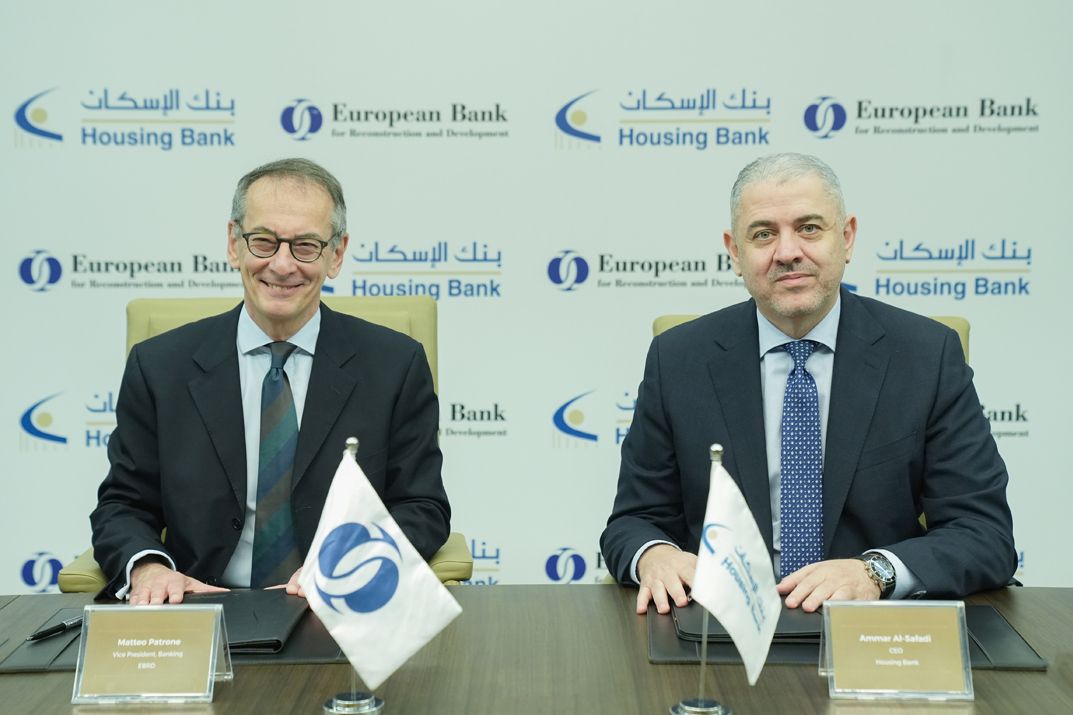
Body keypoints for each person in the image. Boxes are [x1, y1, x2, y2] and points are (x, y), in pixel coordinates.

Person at [601, 153, 1015, 615]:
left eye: (809, 228)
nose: (787, 252)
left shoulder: (925, 356)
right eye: (763, 234)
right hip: (725, 627)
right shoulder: (678, 359)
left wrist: (875, 573)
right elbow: (634, 520)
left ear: (847, 237)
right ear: (734, 252)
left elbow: (984, 533)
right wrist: (655, 555)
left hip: (873, 626)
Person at [91, 158, 450, 605]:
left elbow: (421, 507)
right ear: (233, 244)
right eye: (263, 241)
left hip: (335, 606)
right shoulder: (160, 366)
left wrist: (344, 568)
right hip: (198, 606)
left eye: (305, 246)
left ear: (336, 254)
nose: (281, 265)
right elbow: (123, 505)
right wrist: (149, 567)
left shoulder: (395, 365)